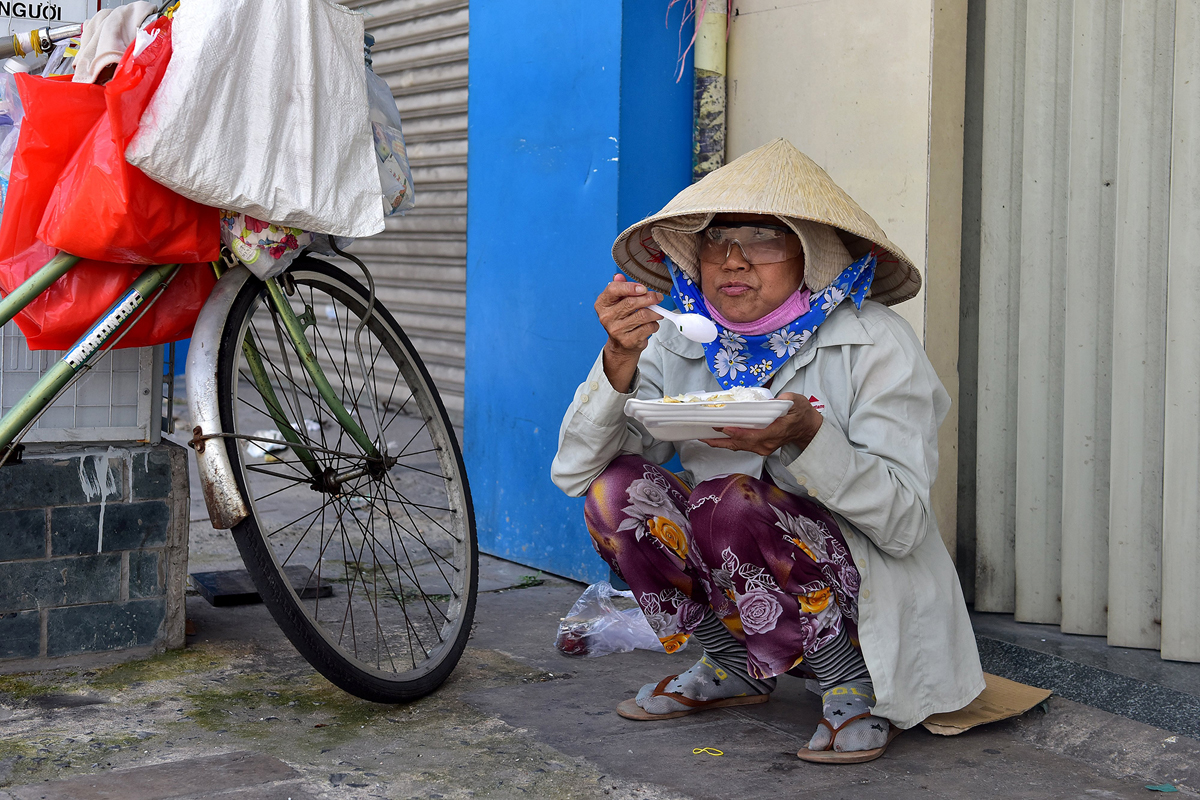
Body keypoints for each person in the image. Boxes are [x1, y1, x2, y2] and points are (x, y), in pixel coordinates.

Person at [550, 139, 984, 763]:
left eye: (763, 241)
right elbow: (577, 471)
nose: (734, 261)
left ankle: (849, 684)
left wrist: (808, 438)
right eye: (716, 241)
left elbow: (905, 523)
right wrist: (617, 360)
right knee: (616, 493)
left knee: (728, 502)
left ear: (810, 259)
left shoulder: (875, 343)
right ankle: (734, 665)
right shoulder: (682, 340)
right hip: (743, 581)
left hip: (860, 593)